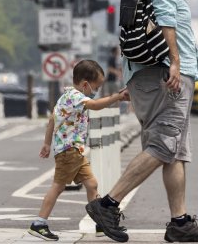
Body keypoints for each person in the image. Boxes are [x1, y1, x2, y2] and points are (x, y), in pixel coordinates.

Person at [85, 0, 198, 243]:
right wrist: (174, 61)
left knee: (175, 150)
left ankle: (180, 222)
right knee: (163, 145)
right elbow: (165, 16)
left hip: (148, 72)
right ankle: (108, 203)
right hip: (164, 73)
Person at [28, 60, 129, 241]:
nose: (95, 92)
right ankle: (39, 223)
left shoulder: (65, 96)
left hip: (75, 151)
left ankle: (101, 224)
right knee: (58, 187)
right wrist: (117, 97)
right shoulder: (76, 97)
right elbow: (96, 106)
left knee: (92, 184)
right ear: (85, 84)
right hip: (68, 151)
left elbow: (52, 119)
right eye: (95, 87)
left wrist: (47, 143)